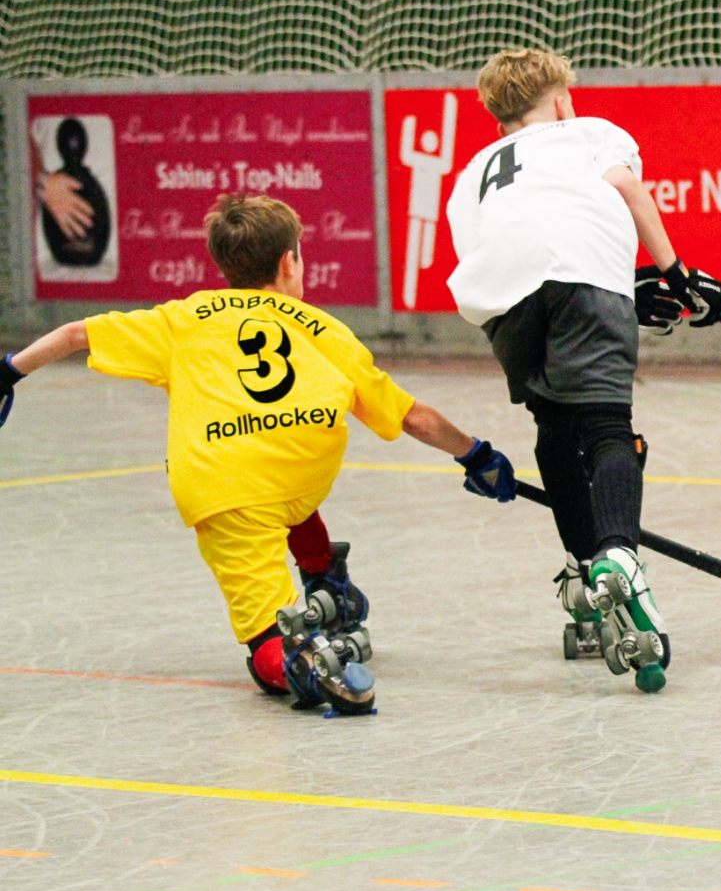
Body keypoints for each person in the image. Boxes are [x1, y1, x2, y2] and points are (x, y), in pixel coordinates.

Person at [0, 192, 516, 714]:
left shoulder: (184, 319)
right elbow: (413, 416)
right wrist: (475, 455)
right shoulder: (324, 329)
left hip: (227, 491)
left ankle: (301, 657)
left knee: (268, 627)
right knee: (285, 499)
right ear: (290, 261)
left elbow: (75, 334)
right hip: (296, 475)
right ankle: (322, 589)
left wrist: (8, 373)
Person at [444, 47, 721, 693]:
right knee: (606, 430)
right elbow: (626, 190)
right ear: (560, 102)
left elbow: (516, 251)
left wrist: (622, 294)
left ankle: (583, 571)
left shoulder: (474, 172)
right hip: (580, 278)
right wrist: (677, 278)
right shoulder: (588, 131)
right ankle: (619, 558)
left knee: (554, 426)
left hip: (503, 304)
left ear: (498, 119)